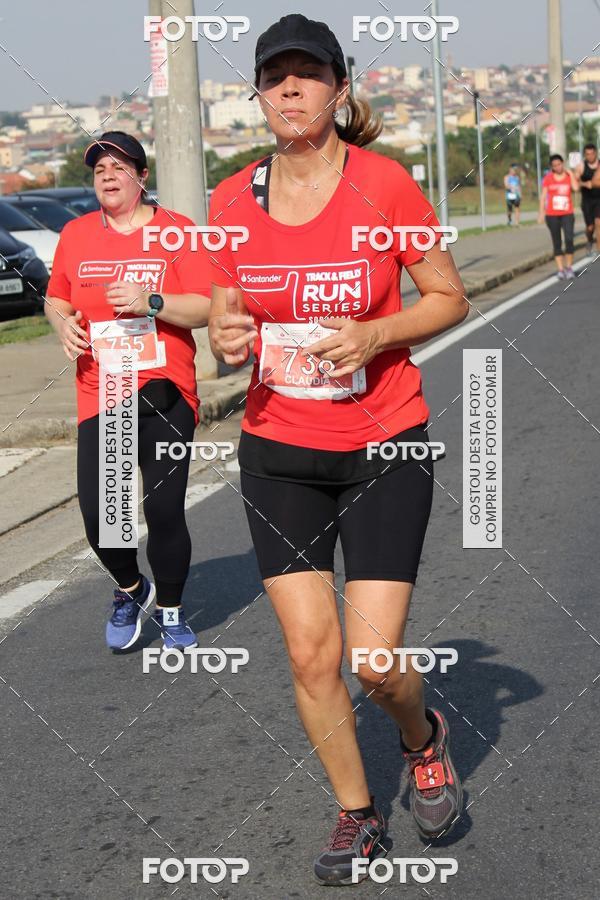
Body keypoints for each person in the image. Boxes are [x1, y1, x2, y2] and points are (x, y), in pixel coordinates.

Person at [208, 14, 468, 886]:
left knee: (376, 661)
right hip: (278, 448)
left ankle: (421, 737)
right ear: (257, 94)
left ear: (338, 86)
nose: (290, 88)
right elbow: (224, 318)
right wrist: (228, 342)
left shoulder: (386, 184)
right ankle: (358, 814)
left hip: (384, 443)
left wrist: (378, 331)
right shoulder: (227, 201)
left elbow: (447, 296)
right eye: (274, 75)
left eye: (307, 74)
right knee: (311, 655)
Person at [45, 131, 211, 651]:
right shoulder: (75, 235)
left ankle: (172, 610)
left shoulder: (176, 232)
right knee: (103, 518)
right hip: (102, 389)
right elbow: (56, 299)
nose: (108, 176)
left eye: (120, 167)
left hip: (165, 390)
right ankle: (130, 588)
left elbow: (207, 308)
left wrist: (152, 302)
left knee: (163, 510)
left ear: (141, 177)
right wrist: (62, 326)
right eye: (99, 170)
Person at [538, 153, 578, 280]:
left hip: (567, 213)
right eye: (554, 165)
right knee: (557, 242)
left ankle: (569, 267)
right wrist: (541, 213)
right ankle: (561, 269)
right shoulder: (548, 178)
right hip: (552, 214)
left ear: (563, 164)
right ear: (552, 167)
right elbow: (543, 196)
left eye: (559, 164)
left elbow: (576, 188)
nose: (558, 167)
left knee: (569, 239)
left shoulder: (568, 176)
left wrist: (571, 174)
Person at [574, 143, 600, 255]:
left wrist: (593, 184)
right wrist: (584, 184)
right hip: (587, 201)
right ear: (585, 155)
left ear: (596, 153)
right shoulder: (581, 166)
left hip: (599, 199)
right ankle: (589, 240)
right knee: (590, 227)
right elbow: (575, 182)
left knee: (599, 224)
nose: (590, 156)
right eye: (587, 154)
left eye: (592, 154)